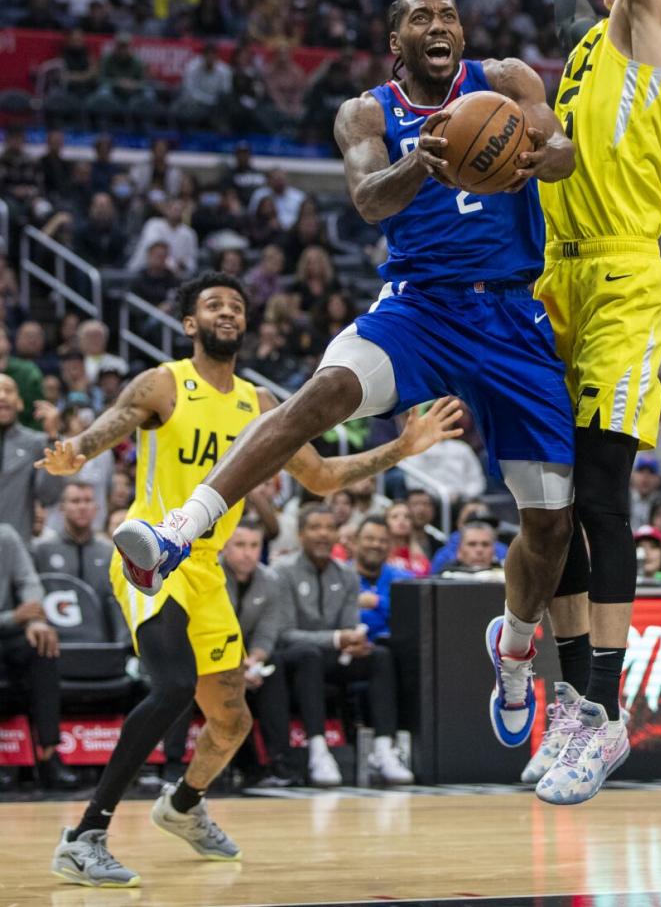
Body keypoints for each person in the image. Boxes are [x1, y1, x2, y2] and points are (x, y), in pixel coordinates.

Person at [111, 0, 580, 776]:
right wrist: (420, 163)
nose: (440, 27)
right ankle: (175, 532)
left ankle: (515, 647)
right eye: (421, 19)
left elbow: (564, 153)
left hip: (511, 313)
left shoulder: (506, 79)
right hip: (419, 308)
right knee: (317, 395)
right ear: (394, 40)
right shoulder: (366, 113)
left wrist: (536, 153)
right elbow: (367, 199)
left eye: (449, 16)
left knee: (552, 528)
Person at [45, 273, 461, 888]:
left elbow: (319, 478)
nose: (227, 313)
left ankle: (183, 806)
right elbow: (113, 422)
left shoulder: (262, 407)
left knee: (233, 721)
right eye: (213, 305)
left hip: (207, 571)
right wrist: (77, 447)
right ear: (190, 324)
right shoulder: (164, 382)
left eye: (236, 306)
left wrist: (398, 451)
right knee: (173, 687)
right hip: (150, 556)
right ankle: (85, 837)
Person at [525, 0, 661, 806]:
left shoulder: (656, 36)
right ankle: (569, 702)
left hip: (625, 278)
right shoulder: (594, 45)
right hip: (556, 279)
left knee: (599, 487)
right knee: (546, 502)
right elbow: (571, 24)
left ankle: (607, 709)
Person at [273, 505, 413, 786]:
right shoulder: (283, 572)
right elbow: (285, 633)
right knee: (309, 655)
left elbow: (350, 626)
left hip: (334, 657)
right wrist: (337, 639)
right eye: (315, 528)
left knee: (380, 657)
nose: (323, 534)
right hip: (293, 659)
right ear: (301, 534)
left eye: (329, 528)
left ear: (338, 534)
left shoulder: (346, 575)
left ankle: (383, 749)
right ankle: (318, 751)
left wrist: (355, 643)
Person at [217, 519, 297, 787]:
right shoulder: (211, 576)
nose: (247, 552)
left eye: (254, 545)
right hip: (211, 656)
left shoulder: (271, 580)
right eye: (240, 545)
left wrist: (253, 662)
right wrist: (236, 666)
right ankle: (243, 765)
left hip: (246, 657)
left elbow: (267, 631)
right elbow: (210, 629)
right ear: (225, 546)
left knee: (273, 668)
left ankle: (279, 763)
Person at [0, 524, 78, 792]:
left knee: (42, 646)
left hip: (7, 632)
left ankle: (49, 753)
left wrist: (35, 620)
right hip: (7, 621)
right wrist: (14, 617)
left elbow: (28, 582)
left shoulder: (6, 536)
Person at [0, 373, 66, 540]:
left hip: (18, 548)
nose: (2, 396)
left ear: (20, 403)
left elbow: (49, 496)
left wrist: (53, 438)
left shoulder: (37, 442)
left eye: (8, 391)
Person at [32, 481, 114, 599]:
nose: (82, 507)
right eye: (75, 501)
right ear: (62, 507)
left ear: (96, 507)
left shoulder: (108, 552)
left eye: (88, 501)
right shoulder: (42, 551)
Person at [354, 515, 411, 642]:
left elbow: (410, 616)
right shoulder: (340, 577)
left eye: (383, 540)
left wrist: (377, 602)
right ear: (356, 541)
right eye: (369, 539)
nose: (376, 545)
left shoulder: (404, 579)